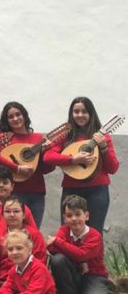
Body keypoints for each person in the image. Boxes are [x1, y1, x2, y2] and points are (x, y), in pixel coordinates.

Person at [44, 96, 119, 232]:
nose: (80, 115)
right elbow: (48, 157)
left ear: (91, 114)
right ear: (71, 114)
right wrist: (73, 159)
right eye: (76, 111)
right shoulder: (66, 135)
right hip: (71, 190)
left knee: (95, 232)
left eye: (84, 111)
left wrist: (103, 147)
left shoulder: (102, 136)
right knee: (68, 232)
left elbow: (113, 168)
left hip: (98, 191)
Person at [0, 101, 51, 228]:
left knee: (32, 232)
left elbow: (47, 169)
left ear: (24, 115)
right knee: (11, 232)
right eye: (10, 117)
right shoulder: (4, 137)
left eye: (18, 114)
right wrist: (17, 168)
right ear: (6, 120)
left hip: (36, 193)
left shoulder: (38, 139)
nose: (15, 119)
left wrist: (45, 153)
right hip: (12, 193)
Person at [47, 194, 111, 294]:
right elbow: (51, 248)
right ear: (64, 218)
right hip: (74, 275)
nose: (74, 219)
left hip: (94, 276)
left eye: (78, 214)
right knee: (58, 260)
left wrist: (58, 241)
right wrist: (77, 259)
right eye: (69, 215)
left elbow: (82, 254)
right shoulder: (64, 230)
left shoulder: (94, 236)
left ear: (86, 216)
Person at [0, 197, 47, 289]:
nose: (12, 215)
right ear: (2, 215)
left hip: (29, 283)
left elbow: (40, 263)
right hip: (3, 285)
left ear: (24, 215)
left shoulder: (34, 235)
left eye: (16, 211)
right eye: (7, 212)